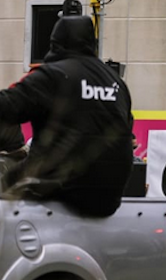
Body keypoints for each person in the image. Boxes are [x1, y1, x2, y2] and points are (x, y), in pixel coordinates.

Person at [0, 15, 133, 217]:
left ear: (55, 42)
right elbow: (127, 130)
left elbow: (9, 106)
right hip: (108, 199)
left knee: (4, 179)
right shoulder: (116, 82)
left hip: (60, 187)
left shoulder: (54, 75)